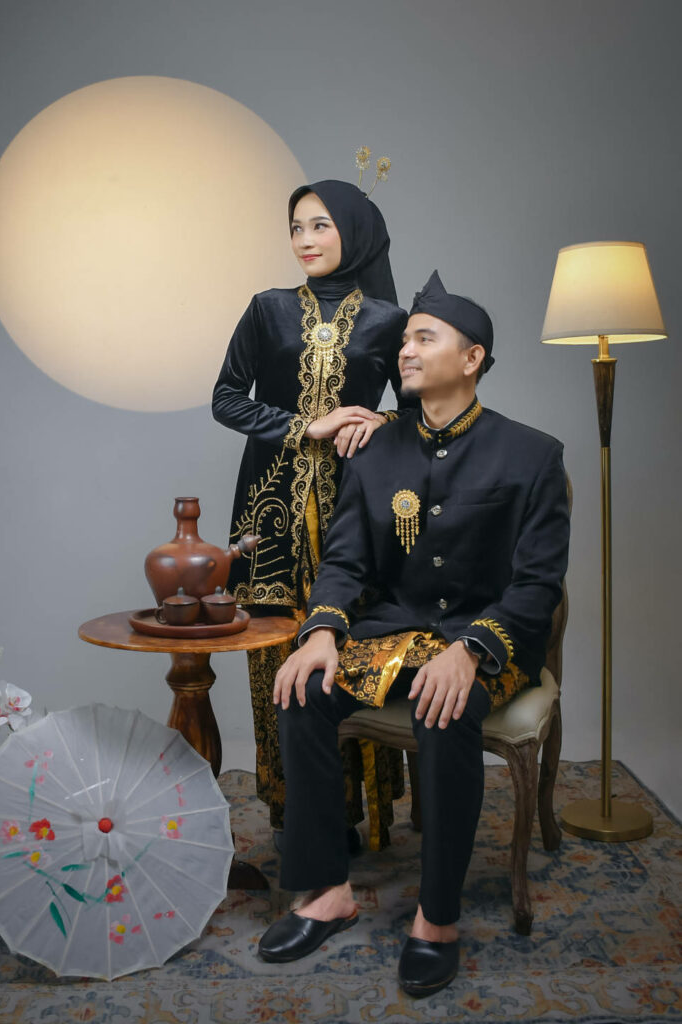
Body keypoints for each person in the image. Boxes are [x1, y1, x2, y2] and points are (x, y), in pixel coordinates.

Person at [258, 270, 570, 997]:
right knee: (302, 691)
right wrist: (321, 631)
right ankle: (326, 892)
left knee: (446, 706)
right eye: (404, 340)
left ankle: (437, 918)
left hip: (487, 639)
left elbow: (537, 585)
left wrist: (471, 652)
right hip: (394, 631)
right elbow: (345, 561)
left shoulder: (532, 454)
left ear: (472, 358)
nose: (405, 350)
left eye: (424, 339)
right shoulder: (377, 448)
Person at [212, 179, 412, 850]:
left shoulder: (389, 320)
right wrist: (307, 426)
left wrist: (377, 423)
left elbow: (420, 415)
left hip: (356, 509)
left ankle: (353, 812)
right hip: (270, 510)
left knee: (352, 648)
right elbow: (226, 398)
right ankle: (292, 810)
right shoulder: (267, 310)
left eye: (320, 225)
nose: (304, 239)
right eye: (296, 227)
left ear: (353, 231)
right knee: (276, 653)